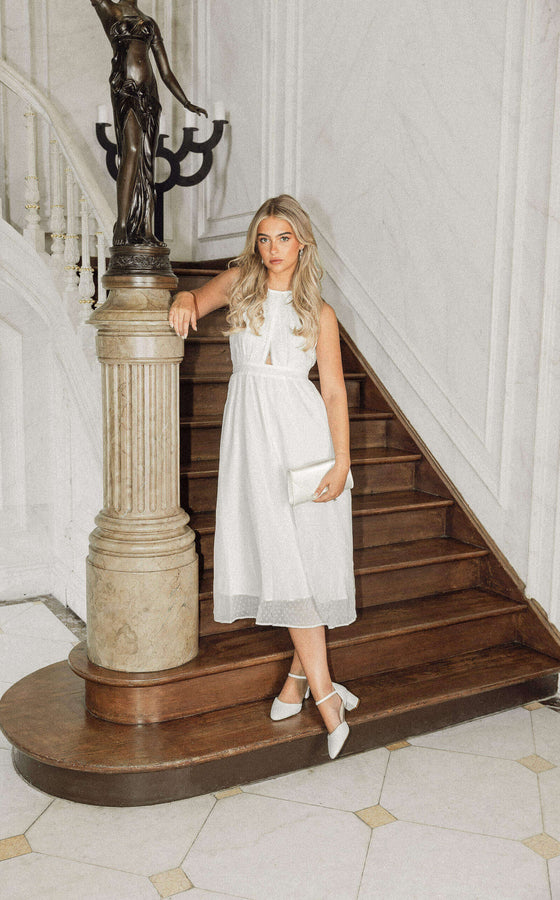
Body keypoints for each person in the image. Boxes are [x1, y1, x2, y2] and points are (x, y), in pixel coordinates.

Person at [169, 195, 358, 759]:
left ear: (302, 242)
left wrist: (343, 459)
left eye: (283, 238)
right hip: (253, 440)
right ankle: (309, 684)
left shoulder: (320, 312)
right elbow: (195, 299)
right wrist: (181, 296)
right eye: (264, 238)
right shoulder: (240, 283)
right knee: (283, 555)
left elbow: (331, 390)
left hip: (305, 438)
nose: (272, 250)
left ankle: (314, 689)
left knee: (307, 556)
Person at [89, 0, 206, 245]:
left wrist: (186, 102)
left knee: (147, 163)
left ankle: (146, 229)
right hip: (126, 92)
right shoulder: (111, 11)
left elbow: (165, 72)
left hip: (149, 95)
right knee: (132, 151)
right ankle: (122, 223)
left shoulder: (150, 23)